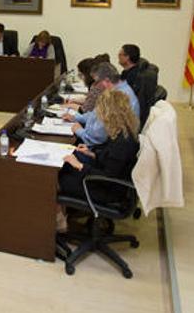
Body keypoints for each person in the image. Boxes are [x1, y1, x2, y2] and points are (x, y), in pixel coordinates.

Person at [57, 89, 140, 231]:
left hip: (109, 190)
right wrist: (92, 154)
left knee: (57, 178)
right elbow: (111, 160)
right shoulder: (124, 130)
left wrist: (79, 165)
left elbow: (108, 176)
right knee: (69, 160)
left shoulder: (122, 143)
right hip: (111, 180)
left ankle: (59, 223)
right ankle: (70, 212)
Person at [65, 63, 140, 147]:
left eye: (97, 81)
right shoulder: (117, 90)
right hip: (99, 143)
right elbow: (96, 114)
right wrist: (77, 117)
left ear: (107, 80)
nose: (96, 85)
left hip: (100, 147)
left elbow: (99, 135)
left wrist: (79, 131)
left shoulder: (118, 97)